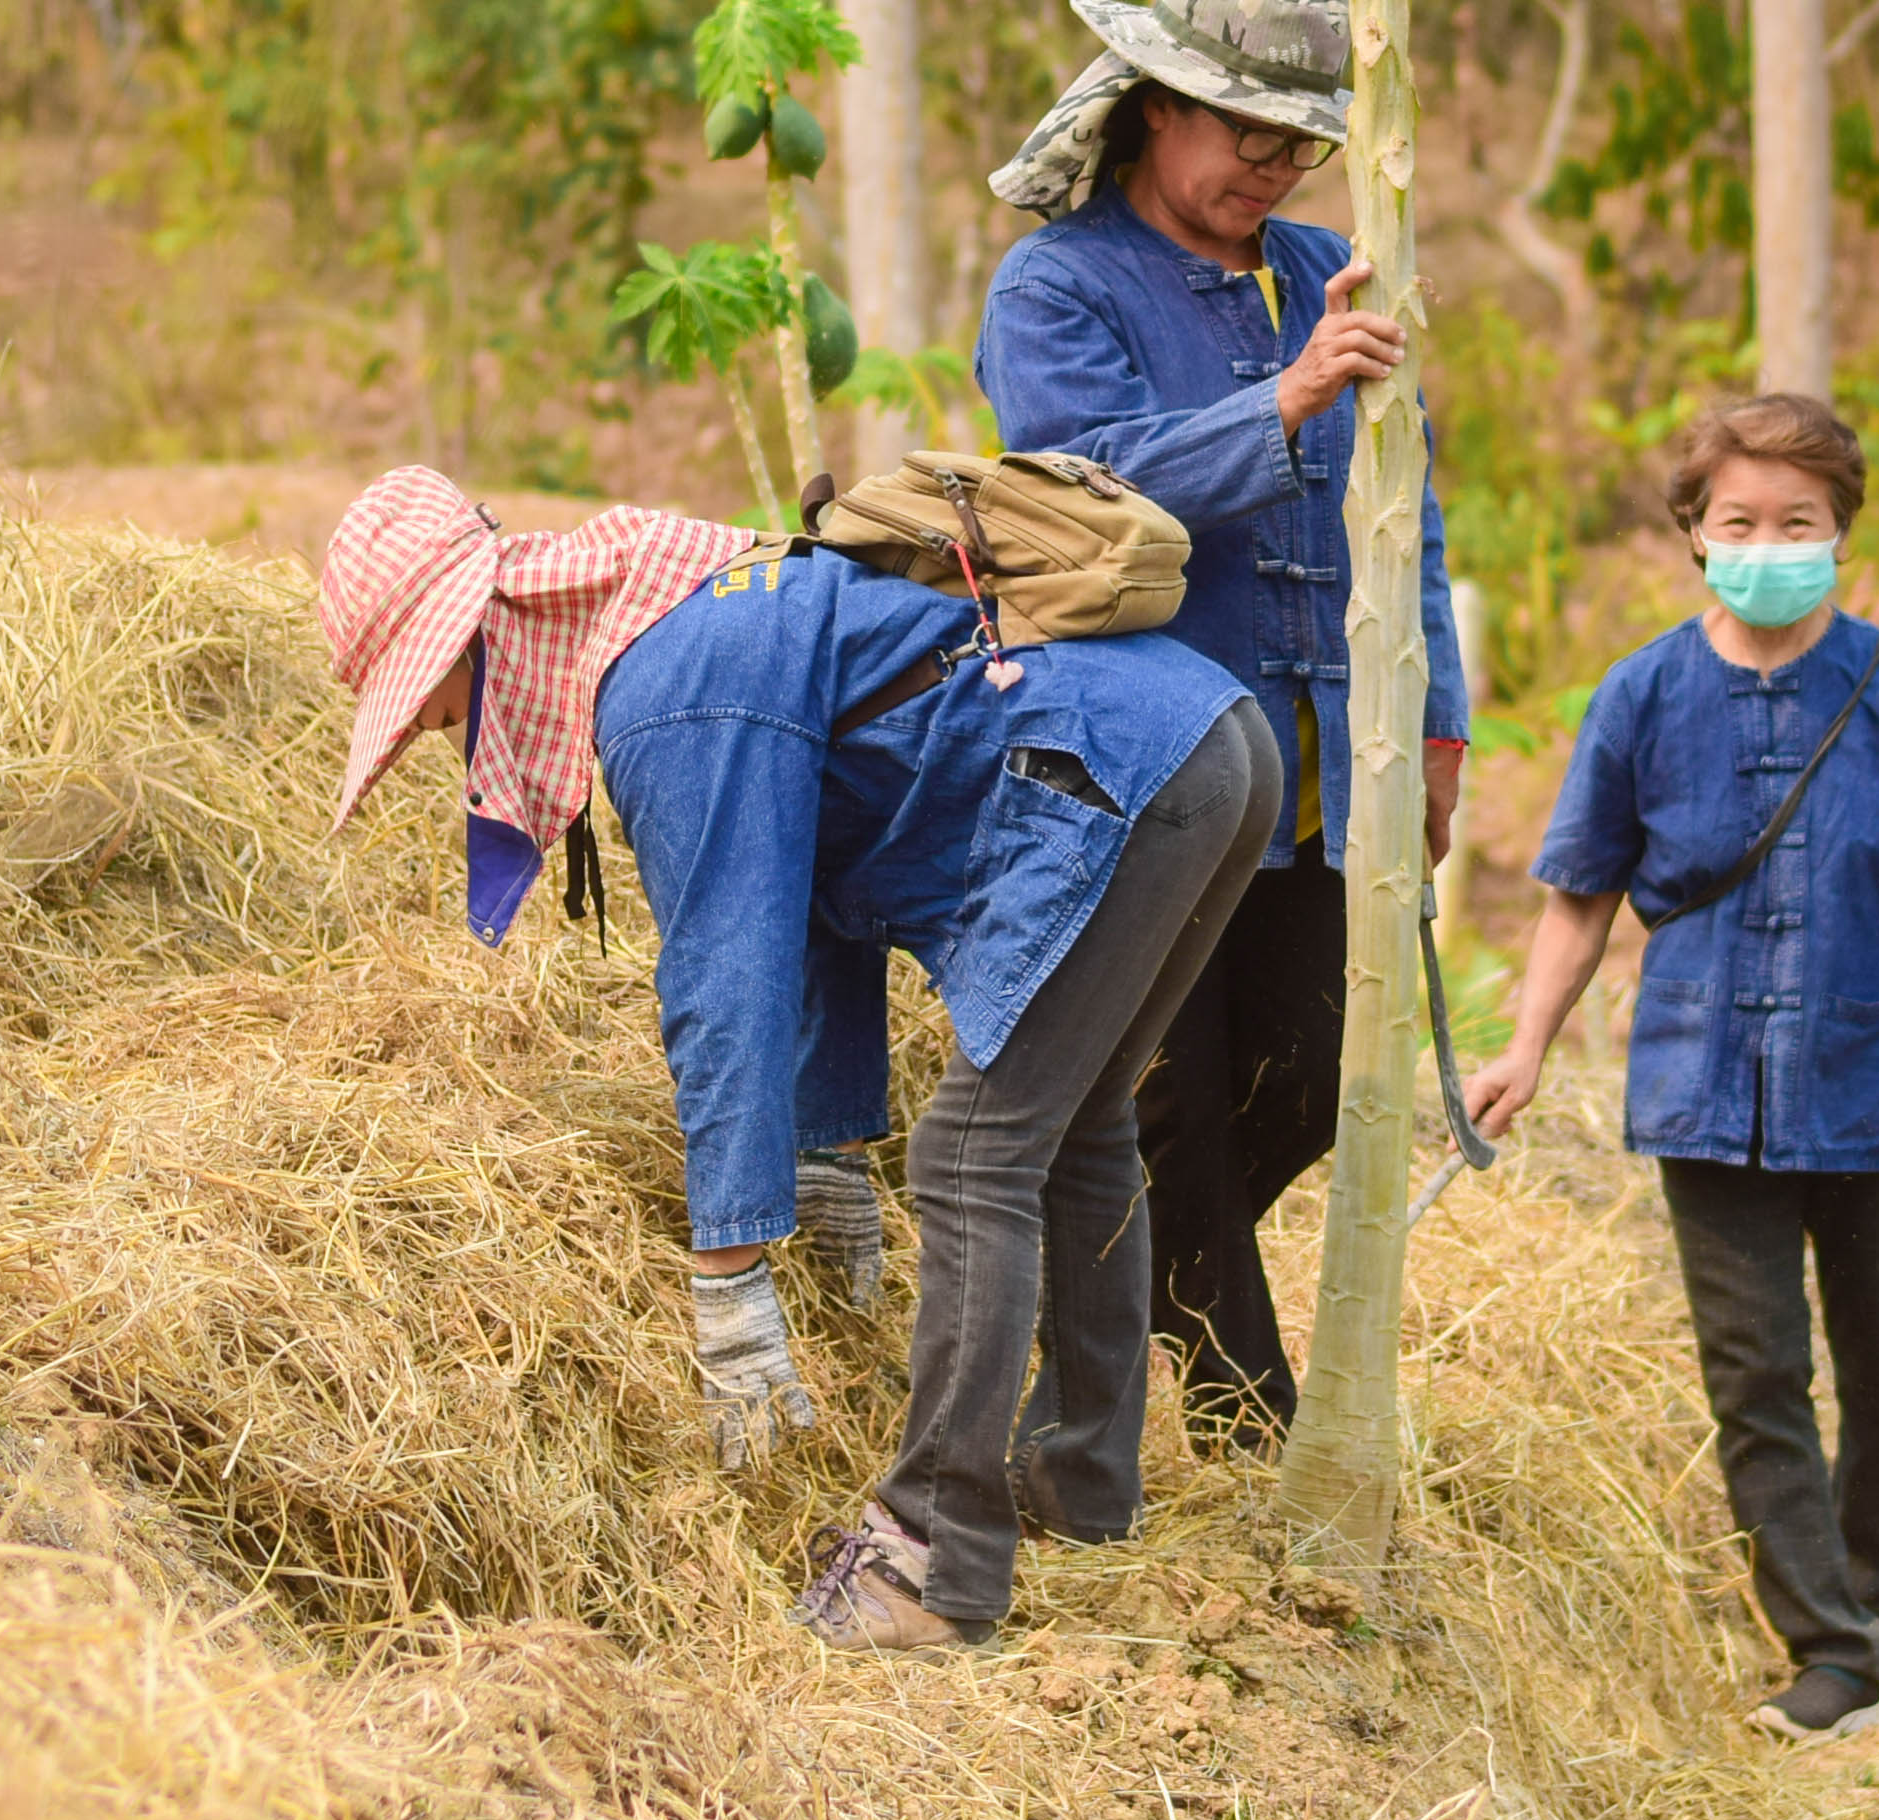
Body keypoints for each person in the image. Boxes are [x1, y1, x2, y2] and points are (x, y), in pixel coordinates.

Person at [318, 470, 1270, 1652]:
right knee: (1075, 1131)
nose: (436, 729)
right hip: (1206, 743)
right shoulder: (697, 606)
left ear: (480, 632)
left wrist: (726, 1276)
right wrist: (823, 1148)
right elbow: (813, 895)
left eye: (430, 700)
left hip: (1116, 771)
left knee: (974, 1156)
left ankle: (928, 1567)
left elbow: (728, 970)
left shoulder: (666, 690)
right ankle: (1077, 1494)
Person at [1464, 393, 1879, 1745]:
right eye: (1741, 520)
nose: (1770, 542)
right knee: (1756, 1376)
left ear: (1842, 534)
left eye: (1800, 520)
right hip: (1706, 1083)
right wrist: (1525, 1048)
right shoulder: (1643, 695)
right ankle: (1828, 1643)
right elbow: (1579, 893)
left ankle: (1877, 1606)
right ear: (1694, 533)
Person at [974, 0, 1470, 1449]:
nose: (1273, 168)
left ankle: (1122, 1298)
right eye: (1245, 132)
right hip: (1152, 763)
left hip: (1328, 771)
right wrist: (1288, 398)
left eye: (1300, 145)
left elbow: (1414, 505)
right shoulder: (1060, 287)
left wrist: (1439, 720)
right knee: (1170, 1102)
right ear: (1156, 105)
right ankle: (1259, 1424)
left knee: (1313, 1072)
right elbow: (1085, 485)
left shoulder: (1327, 272)